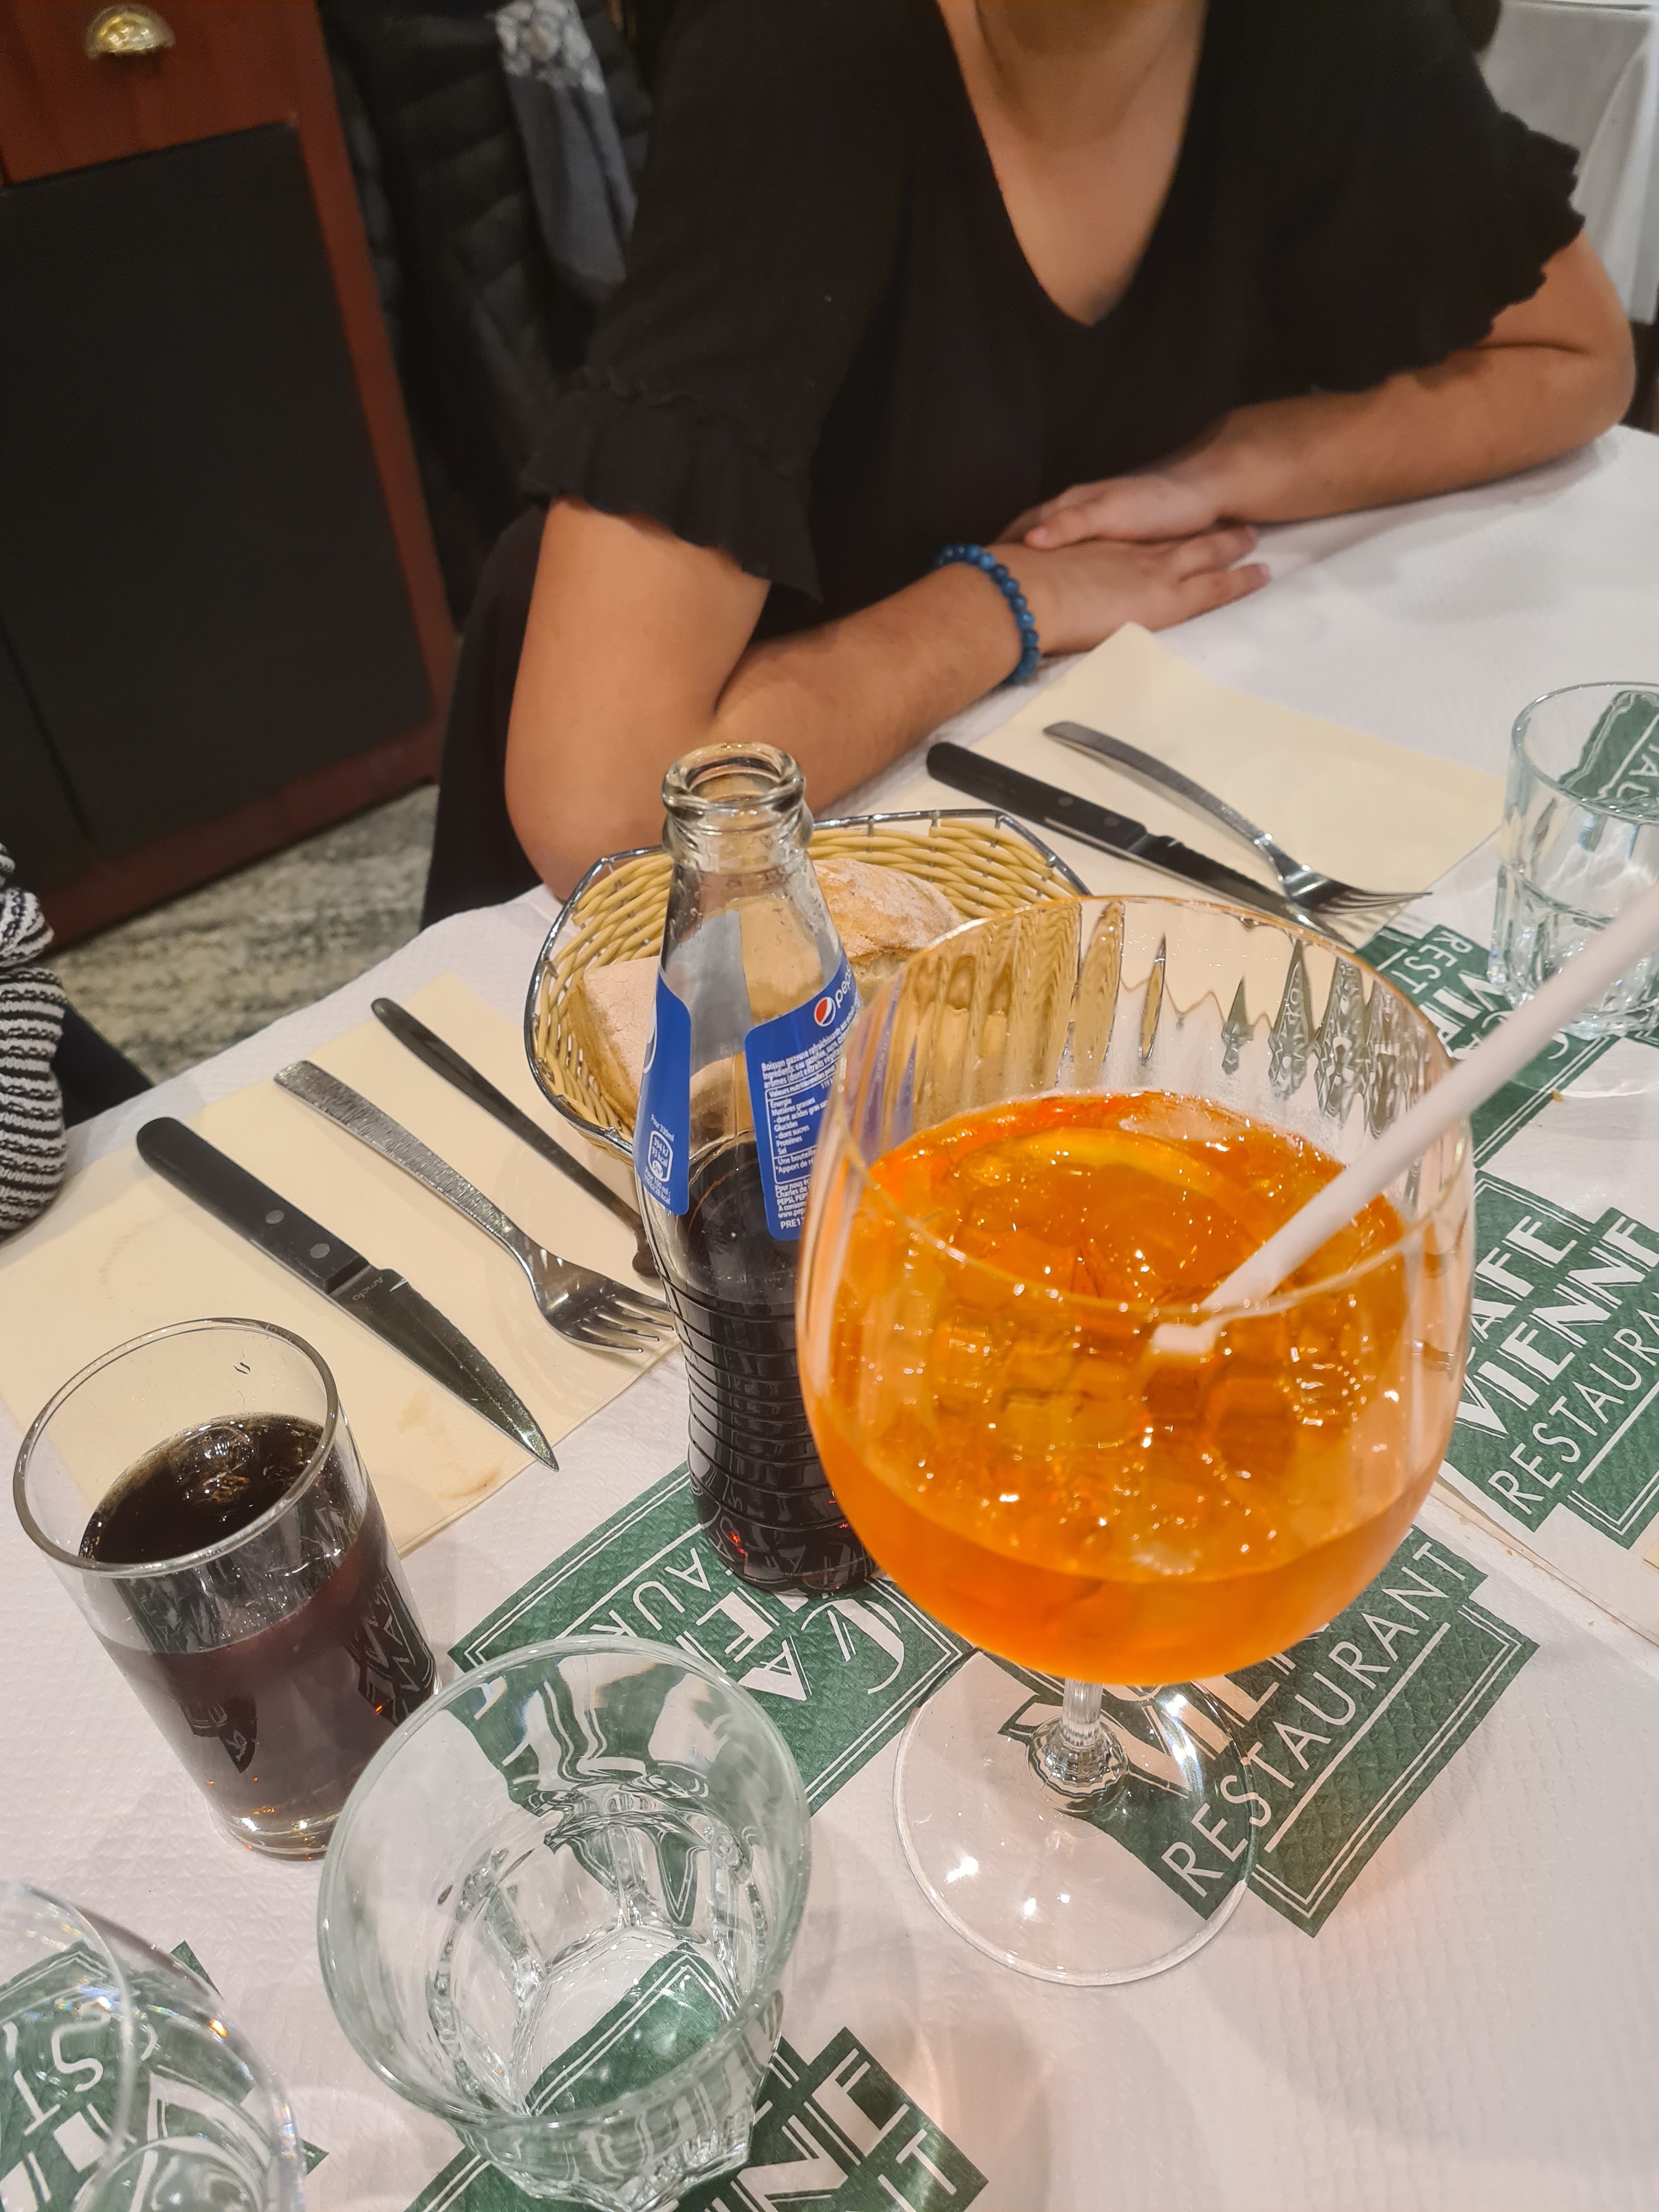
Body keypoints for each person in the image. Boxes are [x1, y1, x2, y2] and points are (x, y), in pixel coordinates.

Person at [422, 0, 1635, 919]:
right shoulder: (809, 46)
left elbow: (1577, 356)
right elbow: (611, 810)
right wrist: (1005, 600)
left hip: (1053, 766)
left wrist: (1229, 464)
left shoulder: (1317, 32)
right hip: (714, 777)